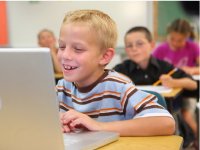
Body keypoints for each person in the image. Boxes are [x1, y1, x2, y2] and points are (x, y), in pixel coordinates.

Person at [56, 9, 175, 136]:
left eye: (78, 49)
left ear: (105, 56)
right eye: (62, 47)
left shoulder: (118, 87)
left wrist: (99, 126)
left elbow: (166, 123)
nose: (65, 55)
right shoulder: (62, 87)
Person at [113, 26, 198, 148]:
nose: (134, 49)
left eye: (139, 44)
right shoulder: (120, 69)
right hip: (131, 122)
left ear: (152, 45)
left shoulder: (164, 66)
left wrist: (174, 82)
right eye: (129, 45)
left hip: (163, 120)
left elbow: (193, 84)